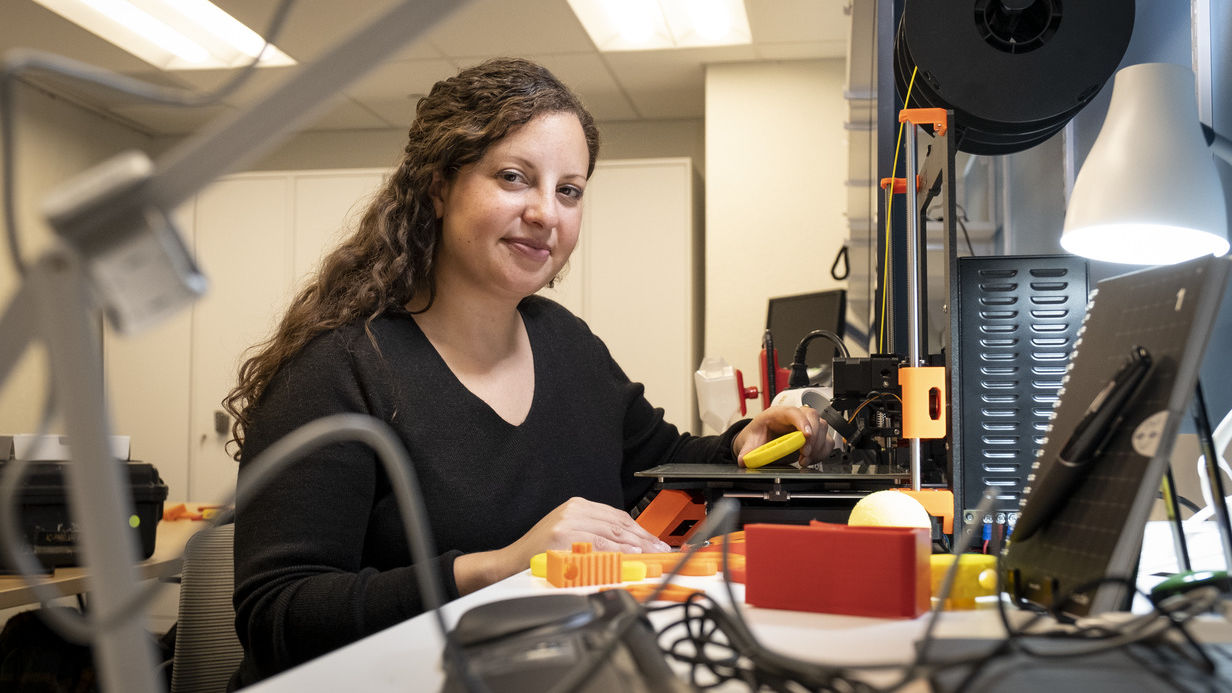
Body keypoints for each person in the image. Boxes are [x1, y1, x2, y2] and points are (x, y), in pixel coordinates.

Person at [222, 57, 833, 687]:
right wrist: (502, 565)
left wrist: (743, 442)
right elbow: (278, 613)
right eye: (515, 178)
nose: (547, 212)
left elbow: (660, 465)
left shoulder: (565, 342)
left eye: (568, 190)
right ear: (438, 187)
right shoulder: (340, 368)